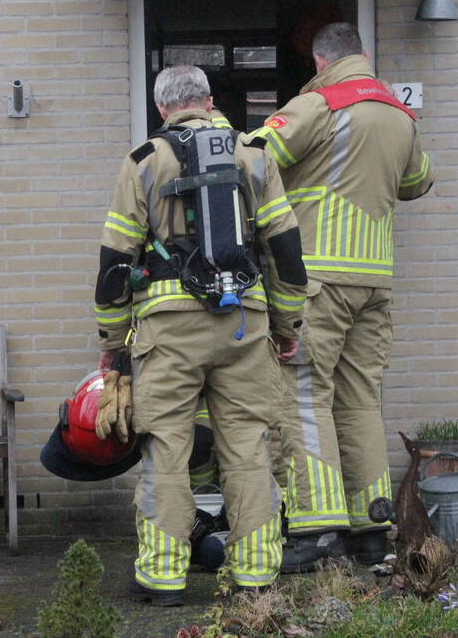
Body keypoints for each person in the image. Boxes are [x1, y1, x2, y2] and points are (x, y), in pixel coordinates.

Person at [93, 65, 308, 605]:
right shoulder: (254, 154)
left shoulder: (144, 160)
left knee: (166, 448)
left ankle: (165, 579)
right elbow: (285, 249)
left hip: (169, 331)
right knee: (247, 447)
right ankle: (257, 574)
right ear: (210, 102)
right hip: (243, 324)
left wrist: (113, 341)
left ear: (161, 108)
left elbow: (116, 257)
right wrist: (287, 327)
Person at [249, 23, 435, 572]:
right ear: (364, 55)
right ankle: (371, 527)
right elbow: (419, 181)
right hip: (374, 279)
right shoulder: (401, 117)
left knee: (303, 393)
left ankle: (314, 528)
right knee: (358, 399)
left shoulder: (318, 104)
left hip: (316, 278)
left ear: (320, 60)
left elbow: (254, 159)